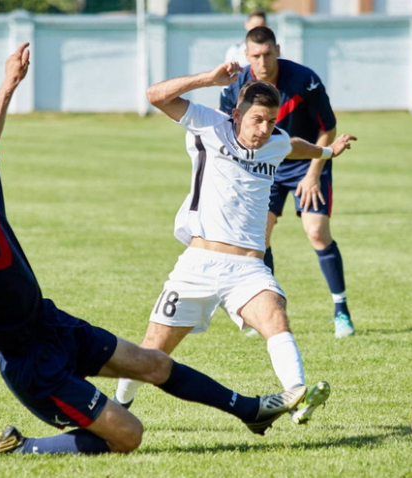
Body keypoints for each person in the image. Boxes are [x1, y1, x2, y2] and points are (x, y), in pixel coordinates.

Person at [0, 43, 310, 468]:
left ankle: (251, 411)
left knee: (154, 362)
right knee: (129, 435)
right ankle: (21, 446)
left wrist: (9, 84)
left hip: (53, 323)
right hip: (33, 366)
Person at [114, 62, 357, 423]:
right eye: (257, 119)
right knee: (151, 354)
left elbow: (294, 145)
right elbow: (155, 96)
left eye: (271, 120)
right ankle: (118, 406)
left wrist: (327, 152)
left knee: (275, 317)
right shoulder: (208, 124)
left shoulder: (274, 141)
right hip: (198, 265)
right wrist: (208, 80)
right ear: (236, 114)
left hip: (247, 270)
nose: (264, 129)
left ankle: (296, 395)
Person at [220, 26, 355, 339]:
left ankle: (341, 312)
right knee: (258, 241)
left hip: (307, 161)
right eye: (255, 56)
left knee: (317, 232)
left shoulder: (304, 80)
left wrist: (312, 174)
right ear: (246, 56)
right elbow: (227, 132)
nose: (263, 61)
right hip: (264, 168)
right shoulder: (236, 86)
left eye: (268, 54)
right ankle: (267, 314)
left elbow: (328, 130)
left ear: (277, 50)